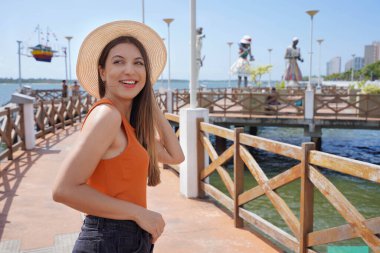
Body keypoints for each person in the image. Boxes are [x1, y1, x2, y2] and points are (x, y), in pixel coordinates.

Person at [52, 20, 185, 253]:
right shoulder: (107, 116)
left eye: (138, 63)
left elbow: (176, 156)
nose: (129, 70)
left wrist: (150, 100)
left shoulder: (128, 127)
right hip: (108, 238)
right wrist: (139, 213)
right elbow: (64, 190)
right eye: (118, 62)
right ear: (102, 72)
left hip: (126, 238)